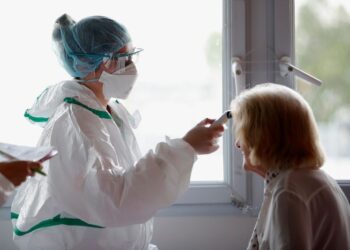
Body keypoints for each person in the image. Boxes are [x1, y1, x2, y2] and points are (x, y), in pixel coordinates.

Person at [11, 13, 224, 250]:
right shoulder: (75, 122)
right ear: (94, 63)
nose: (132, 68)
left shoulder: (109, 111)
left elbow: (127, 173)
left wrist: (187, 144)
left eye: (133, 58)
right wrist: (185, 147)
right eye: (124, 59)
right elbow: (113, 199)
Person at [231, 83, 350, 250]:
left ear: (264, 136)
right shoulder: (309, 180)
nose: (237, 144)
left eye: (243, 133)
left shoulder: (288, 191)